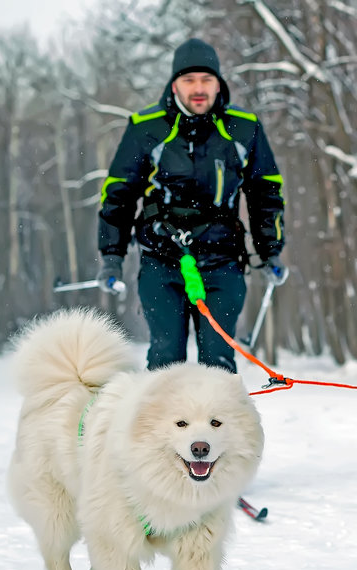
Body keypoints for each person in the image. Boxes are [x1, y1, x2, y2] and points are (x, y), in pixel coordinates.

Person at [96, 38, 287, 373]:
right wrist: (112, 257)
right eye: (189, 80)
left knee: (218, 361)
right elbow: (119, 194)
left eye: (206, 80)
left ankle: (219, 425)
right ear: (174, 85)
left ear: (218, 84)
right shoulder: (146, 128)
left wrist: (270, 250)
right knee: (166, 357)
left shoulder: (243, 129)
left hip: (222, 259)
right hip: (161, 257)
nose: (198, 89)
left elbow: (265, 192)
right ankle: (159, 426)